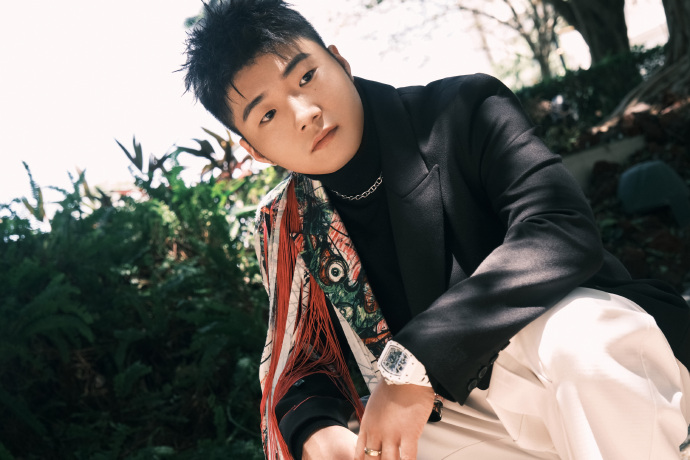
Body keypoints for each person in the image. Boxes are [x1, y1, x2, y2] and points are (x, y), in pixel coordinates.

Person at [182, 1, 690, 458]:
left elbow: (559, 229)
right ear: (254, 150)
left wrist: (417, 361)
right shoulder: (290, 221)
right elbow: (302, 361)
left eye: (308, 76)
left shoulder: (462, 109)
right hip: (458, 418)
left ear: (340, 61)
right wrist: (317, 433)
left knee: (581, 342)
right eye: (268, 113)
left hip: (577, 373)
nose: (305, 113)